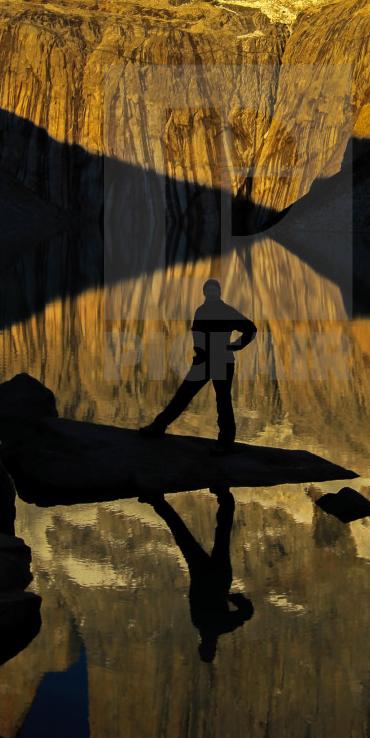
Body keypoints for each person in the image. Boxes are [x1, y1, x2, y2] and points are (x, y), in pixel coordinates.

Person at [138, 277, 256, 446]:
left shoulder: (227, 311)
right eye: (208, 290)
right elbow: (197, 336)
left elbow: (251, 329)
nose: (211, 293)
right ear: (204, 293)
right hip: (202, 361)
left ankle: (226, 442)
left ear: (219, 292)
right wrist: (198, 353)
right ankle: (158, 426)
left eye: (214, 290)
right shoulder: (200, 311)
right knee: (183, 394)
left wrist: (234, 346)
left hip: (222, 362)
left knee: (223, 401)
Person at [146, 488, 253, 662]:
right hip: (205, 575)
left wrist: (233, 598)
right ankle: (158, 502)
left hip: (216, 577)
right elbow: (195, 597)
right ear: (204, 645)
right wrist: (232, 598)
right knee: (183, 535)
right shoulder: (202, 623)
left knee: (219, 534)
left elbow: (247, 612)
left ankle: (225, 497)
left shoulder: (222, 625)